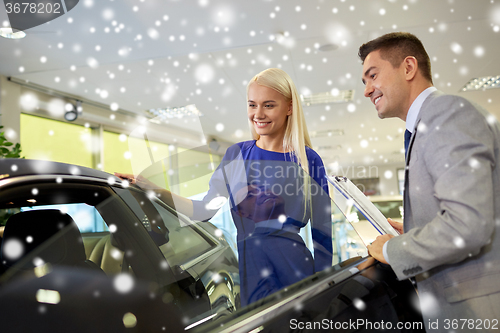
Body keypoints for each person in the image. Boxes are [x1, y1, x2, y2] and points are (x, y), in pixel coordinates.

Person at [116, 68, 332, 306]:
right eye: (252, 105)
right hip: (252, 269)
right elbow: (203, 210)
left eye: (269, 105)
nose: (258, 114)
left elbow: (323, 231)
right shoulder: (235, 155)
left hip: (296, 267)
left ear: (289, 107)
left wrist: (323, 284)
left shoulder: (307, 159)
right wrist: (152, 189)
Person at [359, 32, 500, 332]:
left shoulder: (447, 114)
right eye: (364, 82)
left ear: (409, 68)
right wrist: (411, 232)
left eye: (373, 76)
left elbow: (468, 225)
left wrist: (390, 251)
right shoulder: (425, 125)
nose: (367, 90)